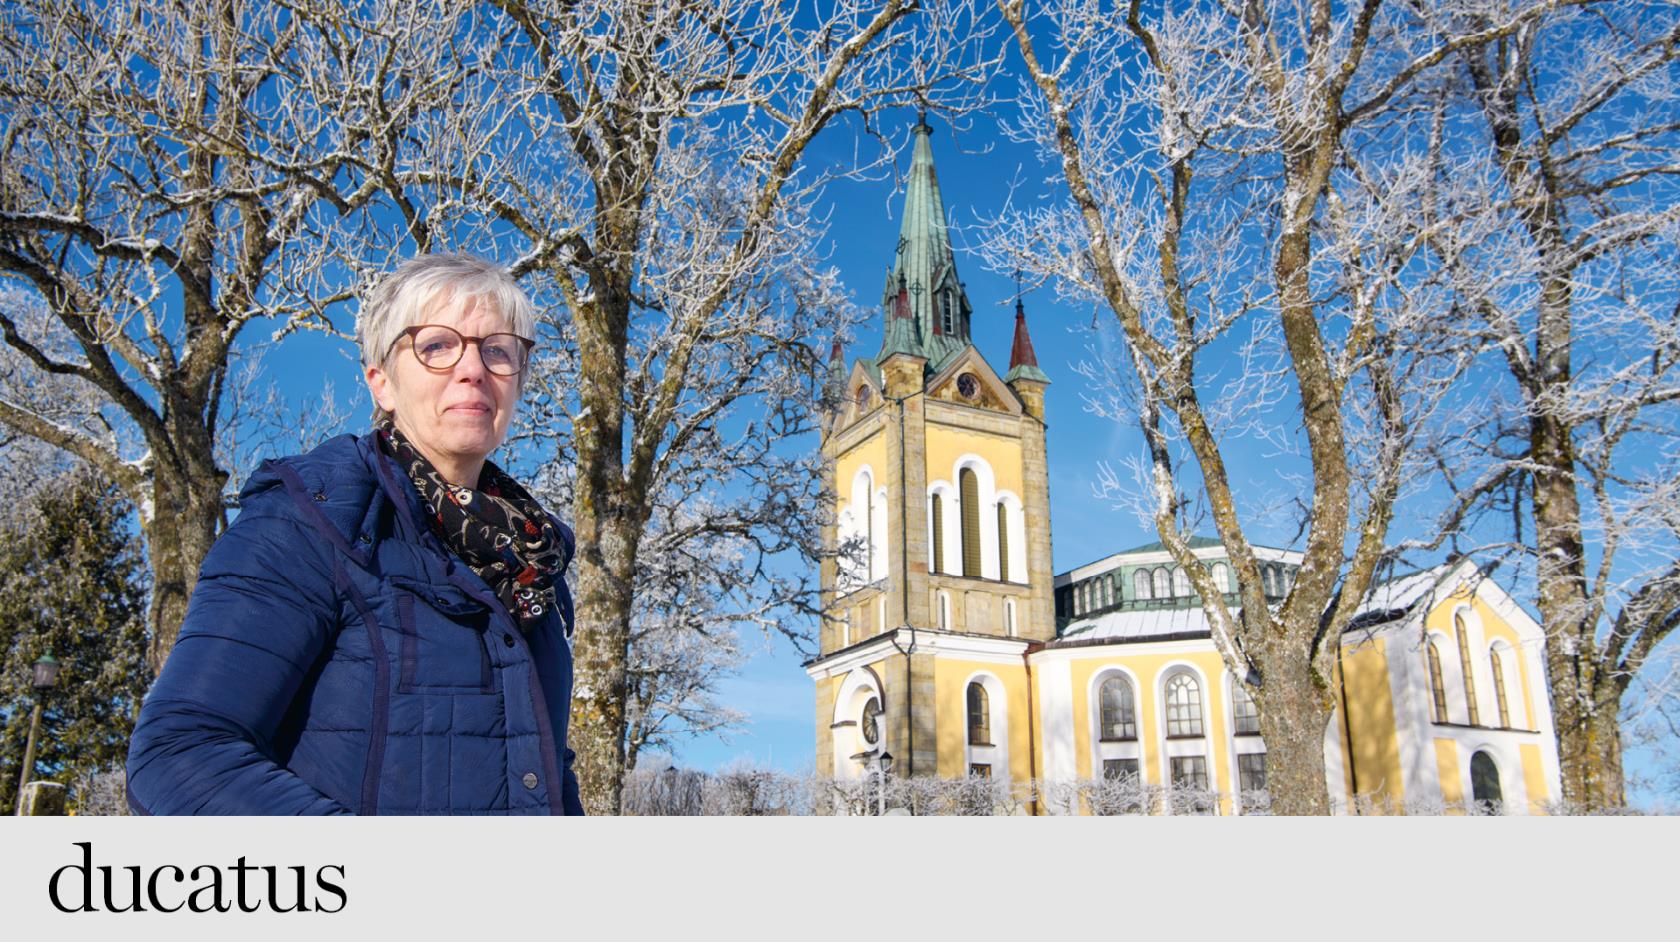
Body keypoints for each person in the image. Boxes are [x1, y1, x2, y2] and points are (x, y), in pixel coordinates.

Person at [127, 254, 583, 814]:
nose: (473, 369)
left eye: (498, 350)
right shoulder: (310, 520)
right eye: (437, 346)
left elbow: (543, 773)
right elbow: (179, 754)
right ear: (381, 382)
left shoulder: (532, 562)